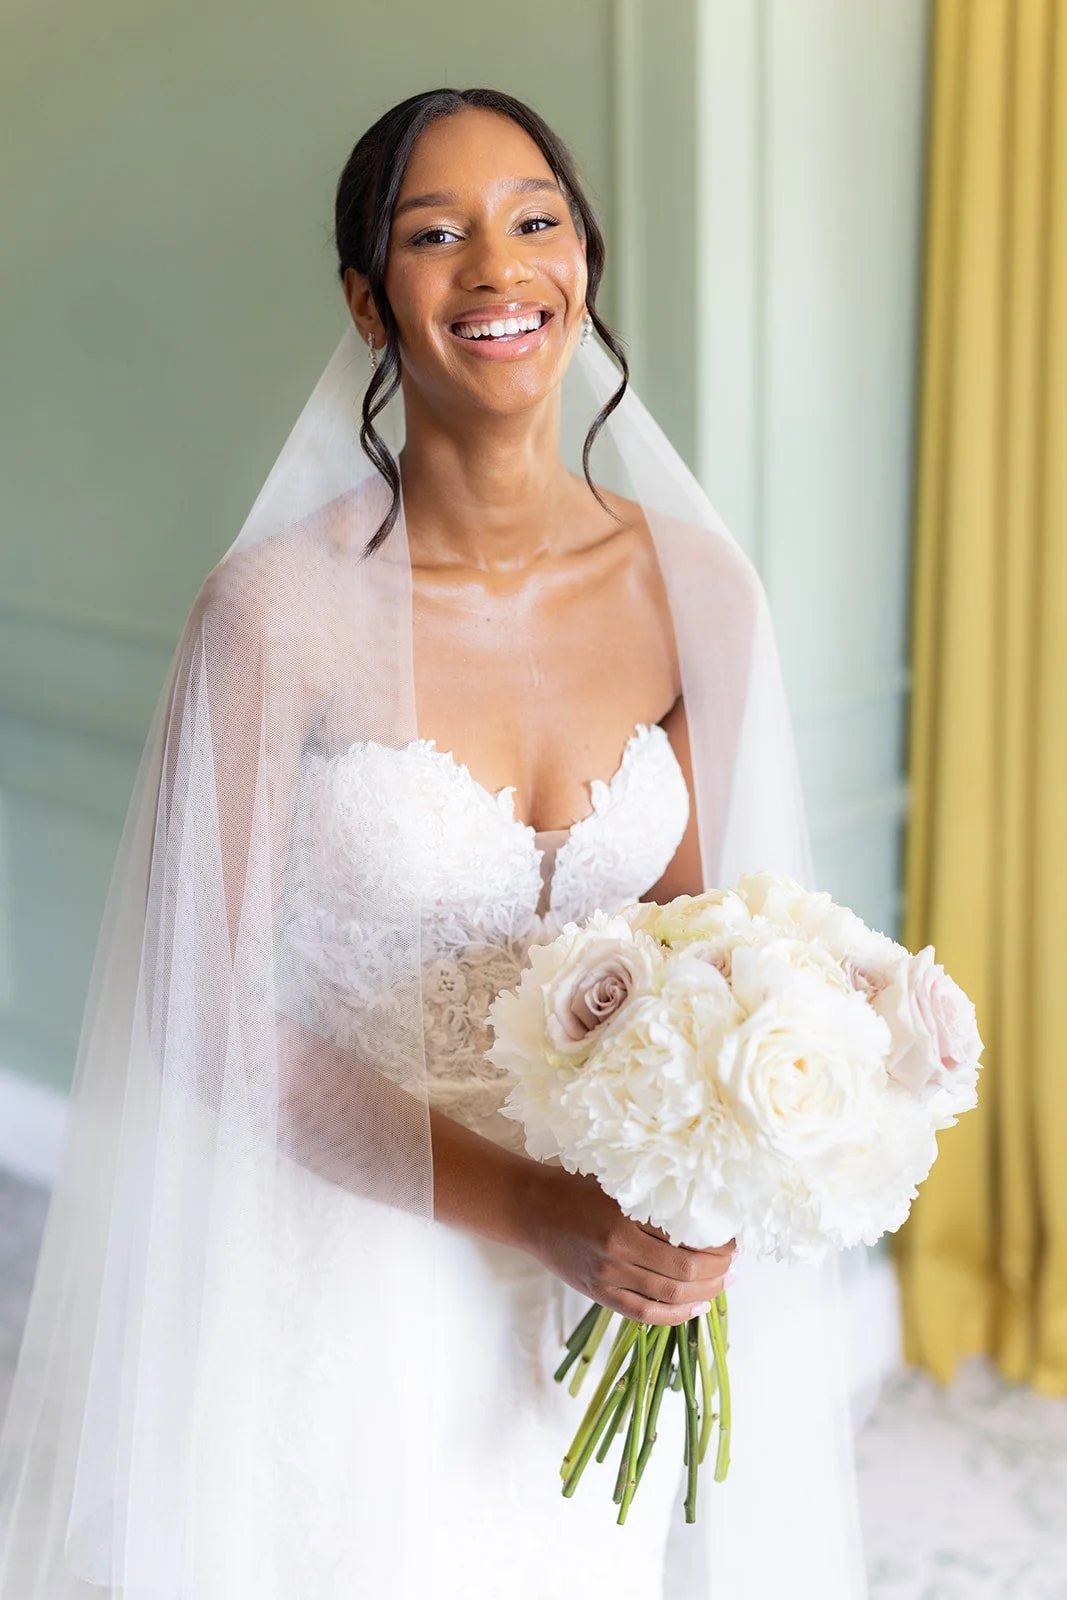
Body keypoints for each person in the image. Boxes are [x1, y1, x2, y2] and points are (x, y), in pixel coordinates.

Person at [0, 88, 868, 1598]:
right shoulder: (277, 614)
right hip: (345, 1259)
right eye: (433, 232)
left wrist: (700, 1174)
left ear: (583, 260)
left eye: (534, 220)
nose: (495, 266)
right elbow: (197, 1011)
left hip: (594, 1276)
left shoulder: (695, 590)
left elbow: (700, 944)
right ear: (367, 298)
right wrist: (527, 1207)